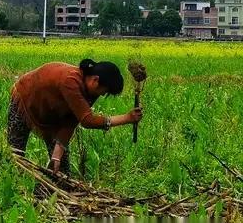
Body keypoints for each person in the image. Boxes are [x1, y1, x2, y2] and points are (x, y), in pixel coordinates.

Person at [7, 59, 143, 175]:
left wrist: (56, 156)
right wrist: (126, 118)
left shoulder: (90, 91)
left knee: (61, 169)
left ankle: (56, 190)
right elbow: (87, 120)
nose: (102, 95)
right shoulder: (70, 82)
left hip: (53, 112)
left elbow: (71, 121)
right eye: (104, 91)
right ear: (96, 80)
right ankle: (13, 183)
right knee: (15, 152)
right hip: (25, 97)